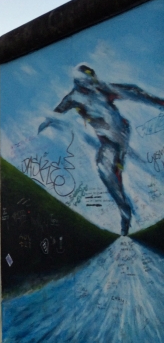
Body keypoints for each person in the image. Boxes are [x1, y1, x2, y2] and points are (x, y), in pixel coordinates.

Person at [39, 64, 164, 235]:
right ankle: (124, 209)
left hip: (120, 132)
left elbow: (133, 91)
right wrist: (47, 122)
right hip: (107, 141)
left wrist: (159, 102)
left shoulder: (102, 89)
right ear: (79, 84)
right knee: (105, 170)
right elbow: (59, 110)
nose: (91, 87)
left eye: (92, 82)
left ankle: (121, 170)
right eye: (87, 84)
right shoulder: (74, 97)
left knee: (114, 164)